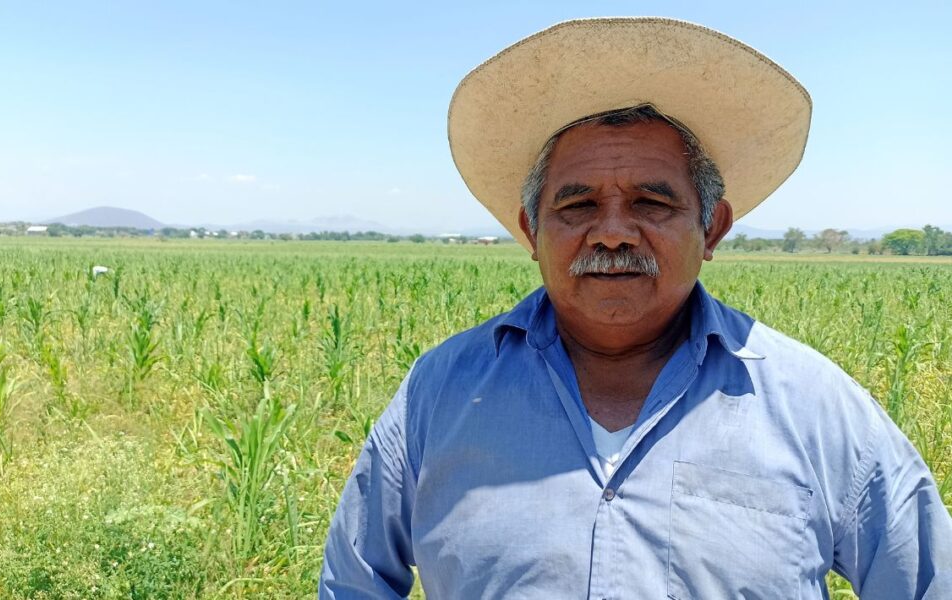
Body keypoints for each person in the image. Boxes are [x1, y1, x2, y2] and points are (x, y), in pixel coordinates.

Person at [320, 17, 952, 599]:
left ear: (712, 229)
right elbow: (355, 582)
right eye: (577, 206)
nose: (614, 232)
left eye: (651, 203)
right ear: (530, 230)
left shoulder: (815, 406)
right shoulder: (440, 393)